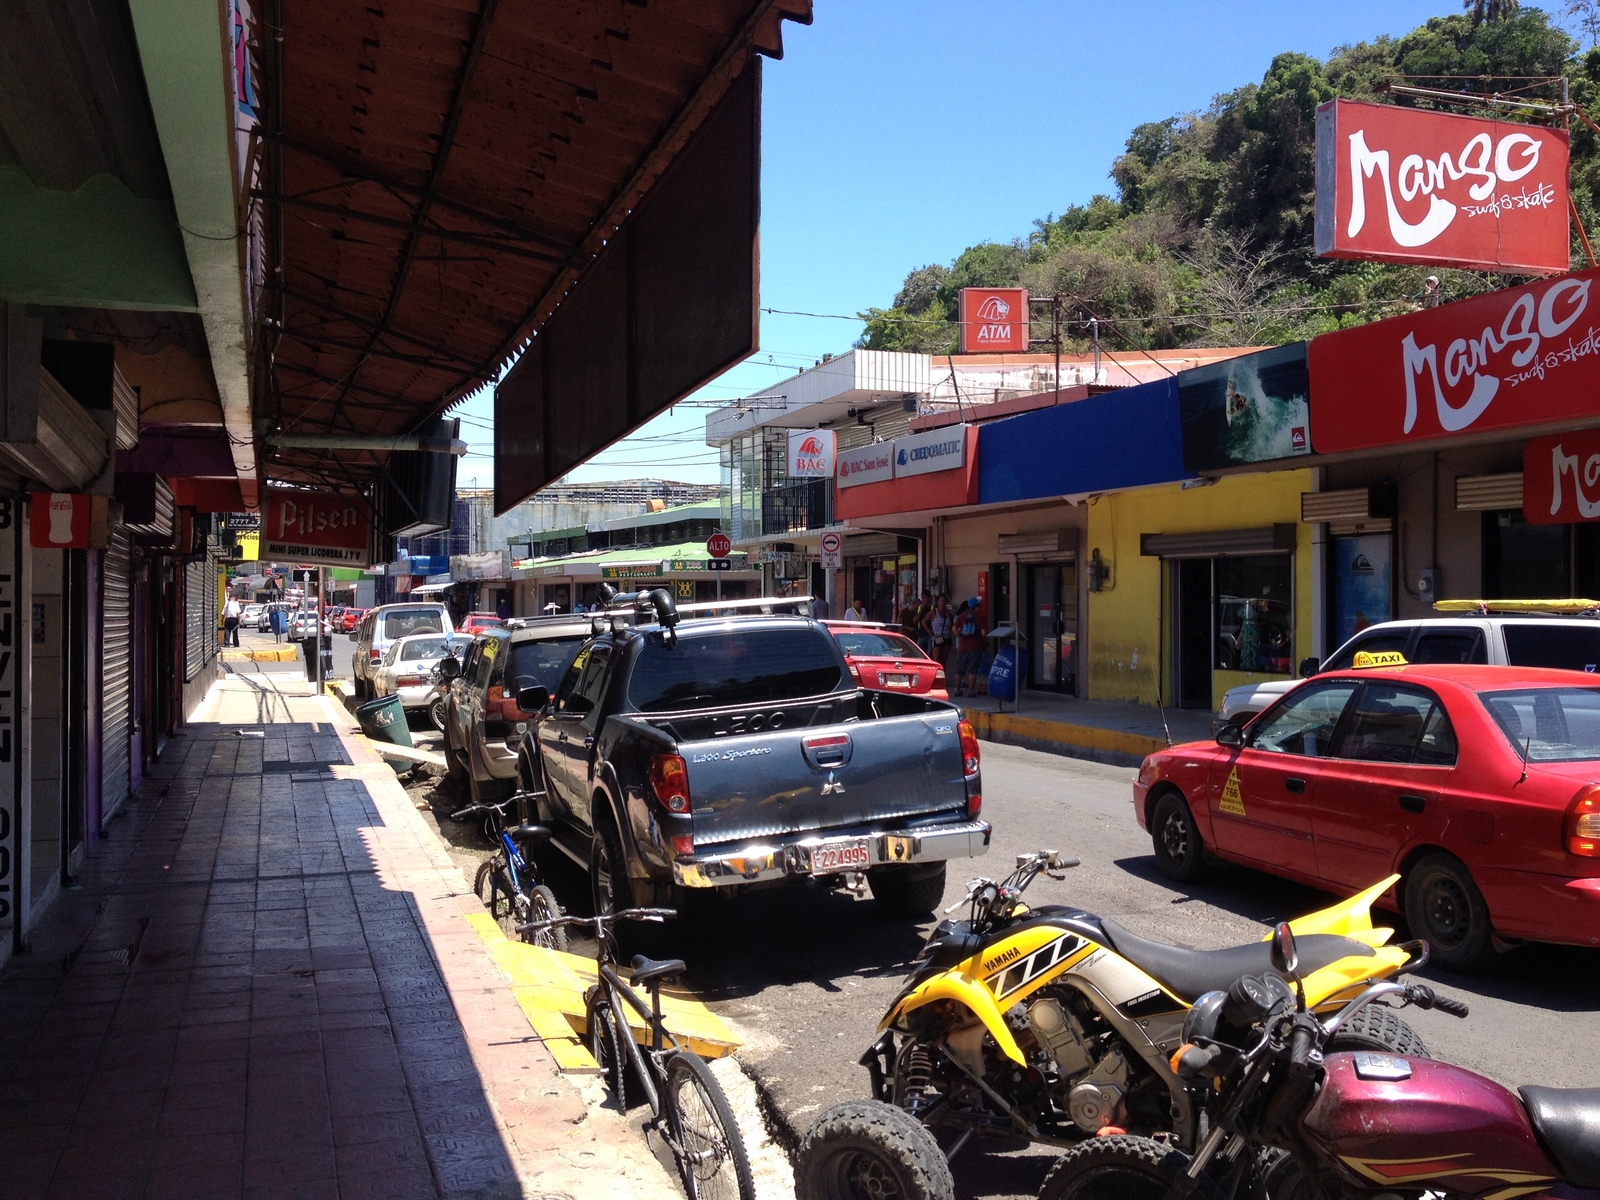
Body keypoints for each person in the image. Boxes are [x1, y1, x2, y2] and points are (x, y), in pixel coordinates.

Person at [953, 599, 985, 697]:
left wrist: (960, 637)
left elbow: (953, 629)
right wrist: (980, 639)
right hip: (975, 647)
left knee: (959, 670)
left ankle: (957, 690)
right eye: (979, 606)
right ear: (975, 606)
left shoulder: (962, 616)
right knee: (972, 670)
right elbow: (983, 632)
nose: (980, 608)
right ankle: (971, 691)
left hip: (962, 647)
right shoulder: (979, 617)